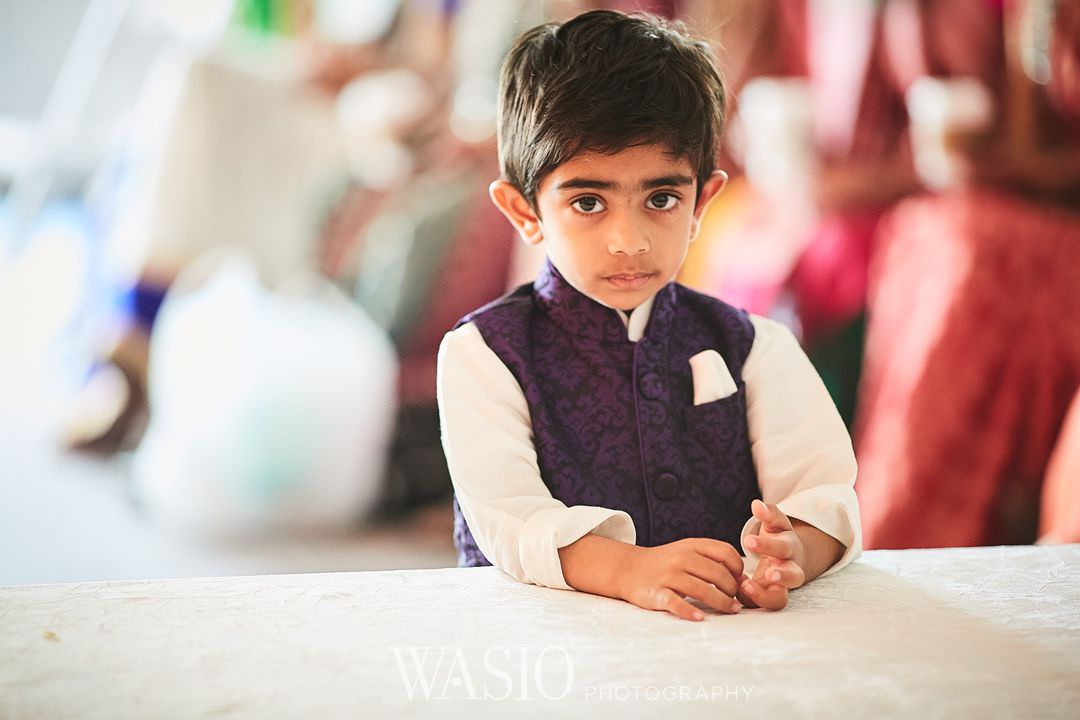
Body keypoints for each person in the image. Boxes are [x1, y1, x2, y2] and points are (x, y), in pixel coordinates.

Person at [436, 10, 860, 620]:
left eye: (660, 198)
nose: (629, 240)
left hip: (721, 652)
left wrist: (794, 553)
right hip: (542, 655)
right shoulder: (484, 354)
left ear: (701, 202)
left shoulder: (755, 346)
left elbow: (823, 491)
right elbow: (511, 519)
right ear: (524, 211)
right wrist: (629, 570)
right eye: (588, 201)